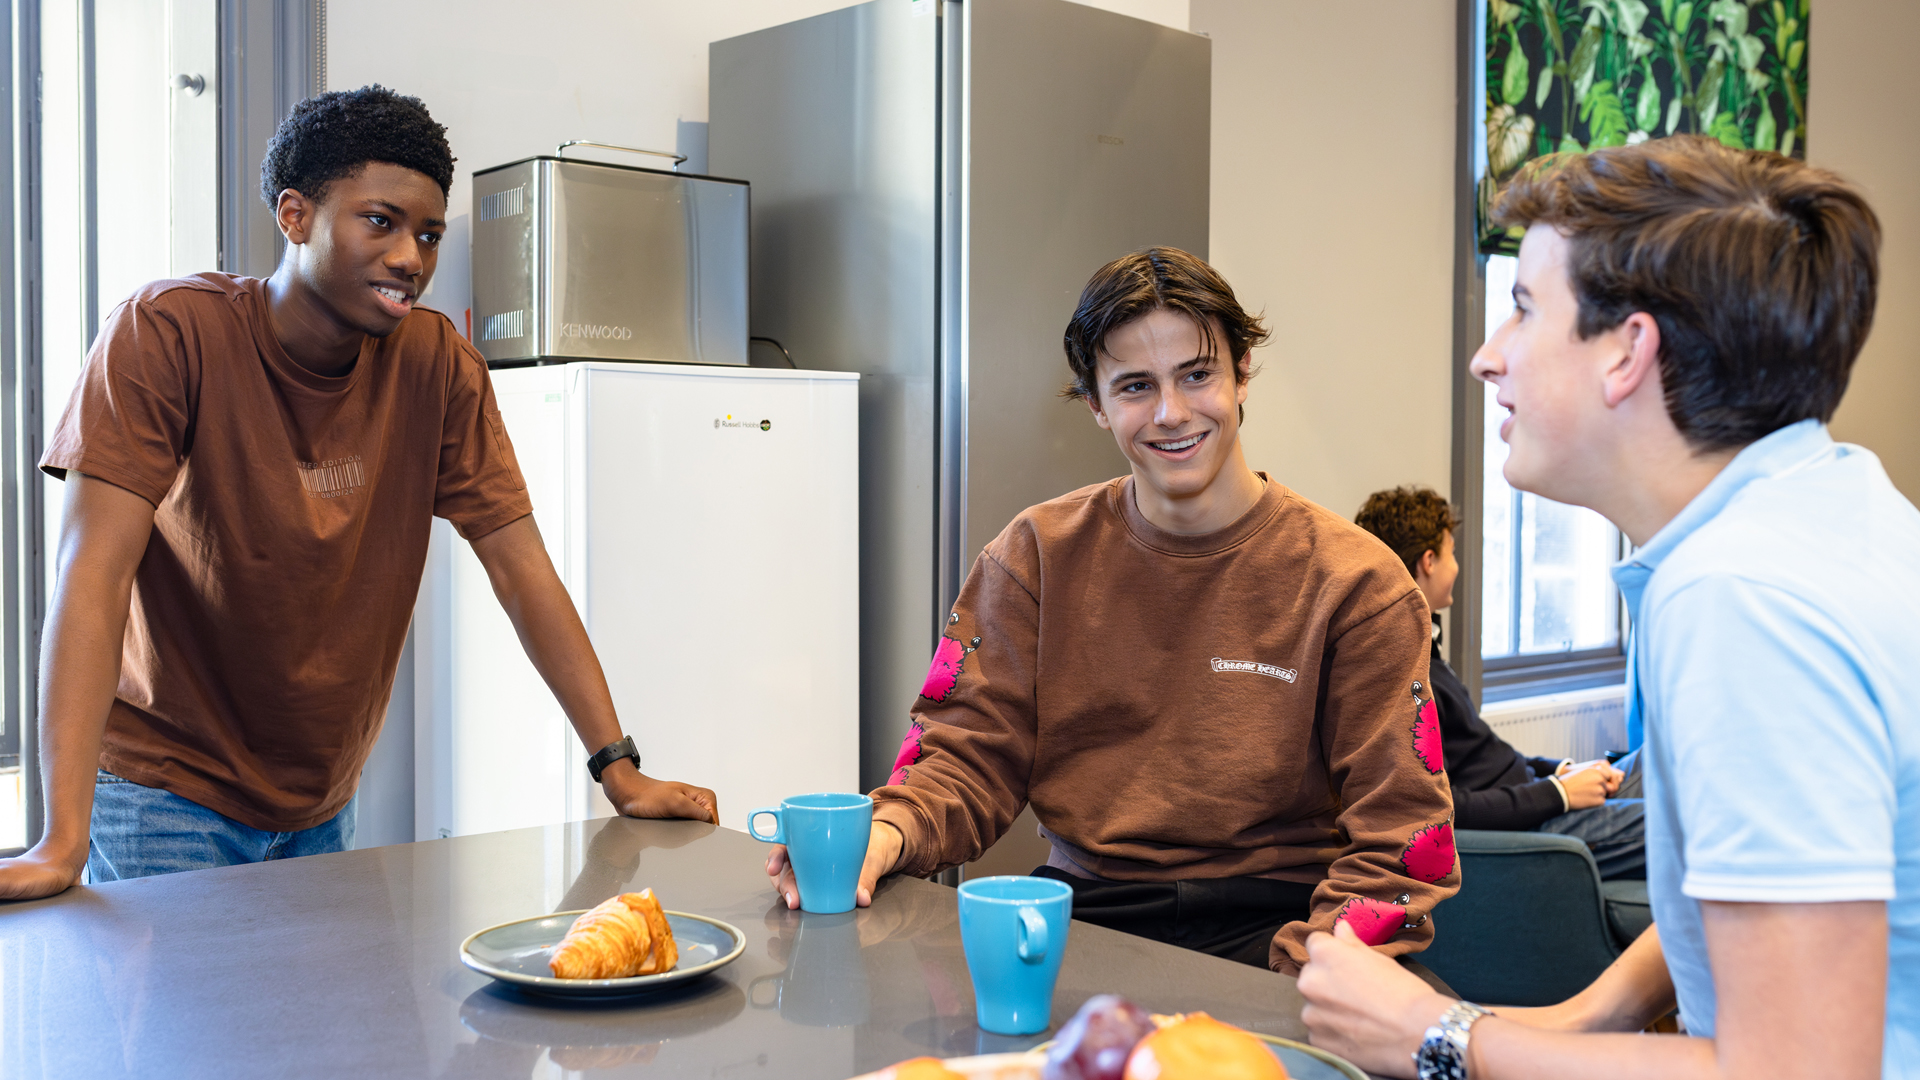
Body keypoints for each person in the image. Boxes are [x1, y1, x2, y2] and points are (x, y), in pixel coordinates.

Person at [0, 86, 717, 902]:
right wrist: (62, 839)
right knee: (191, 1035)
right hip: (167, 795)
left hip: (324, 801)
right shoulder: (165, 335)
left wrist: (617, 770)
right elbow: (90, 576)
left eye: (429, 234)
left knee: (321, 1032)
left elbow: (522, 570)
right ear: (295, 215)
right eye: (380, 221)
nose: (412, 257)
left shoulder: (439, 366)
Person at [1298, 135, 1917, 1079]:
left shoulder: (1743, 602)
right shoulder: (1828, 507)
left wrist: (1440, 1040)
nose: (1486, 357)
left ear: (1628, 351)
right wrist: (1588, 1014)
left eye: (1521, 309)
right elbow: (1777, 878)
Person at [768, 247, 1459, 975]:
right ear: (1095, 404)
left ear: (1242, 372)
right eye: (1135, 386)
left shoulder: (1358, 583)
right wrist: (886, 833)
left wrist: (1304, 978)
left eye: (1197, 374)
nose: (1172, 412)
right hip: (1086, 918)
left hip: (1285, 921)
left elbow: (1400, 839)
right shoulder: (1032, 556)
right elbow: (965, 759)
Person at [1354, 486, 1643, 880]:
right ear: (1428, 561)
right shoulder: (1404, 677)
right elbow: (1448, 807)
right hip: (1530, 824)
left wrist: (1561, 769)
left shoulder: (1426, 650)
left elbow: (1485, 757)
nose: (1456, 566)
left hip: (1537, 794)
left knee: (1652, 761)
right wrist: (1558, 794)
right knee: (1673, 825)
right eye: (1452, 553)